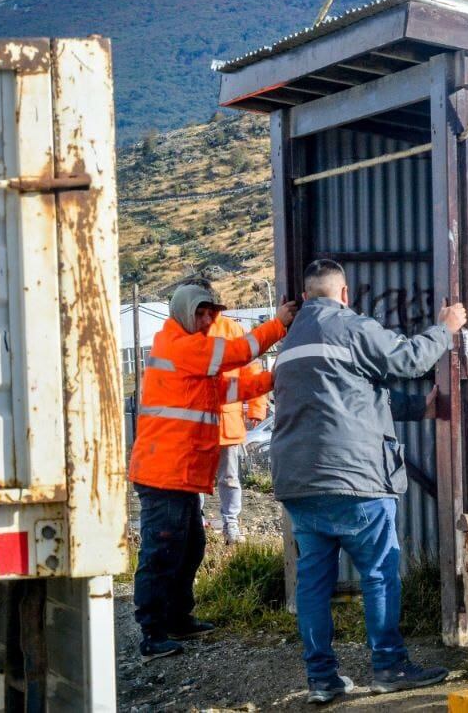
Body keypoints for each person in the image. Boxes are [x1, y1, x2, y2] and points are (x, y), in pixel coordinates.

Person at [272, 259, 466, 704]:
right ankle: (389, 666)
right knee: (379, 574)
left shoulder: (289, 343)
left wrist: (420, 409)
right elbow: (411, 359)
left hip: (299, 484)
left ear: (305, 296)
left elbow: (353, 396)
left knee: (314, 582)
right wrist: (446, 328)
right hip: (356, 479)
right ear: (344, 294)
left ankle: (321, 679)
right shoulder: (353, 326)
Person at [129, 283, 296, 662]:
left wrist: (273, 379)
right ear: (184, 312)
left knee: (189, 547)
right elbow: (236, 353)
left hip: (178, 472)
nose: (206, 321)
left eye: (211, 315)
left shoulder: (187, 350)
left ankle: (176, 618)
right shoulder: (181, 345)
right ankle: (152, 631)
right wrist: (279, 325)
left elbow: (227, 388)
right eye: (200, 313)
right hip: (164, 472)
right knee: (162, 552)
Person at [210, 312, 271, 544]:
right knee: (194, 481)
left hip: (226, 421)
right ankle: (197, 523)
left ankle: (231, 524)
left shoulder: (233, 330)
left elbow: (251, 370)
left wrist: (257, 407)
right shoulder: (183, 329)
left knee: (229, 477)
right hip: (194, 425)